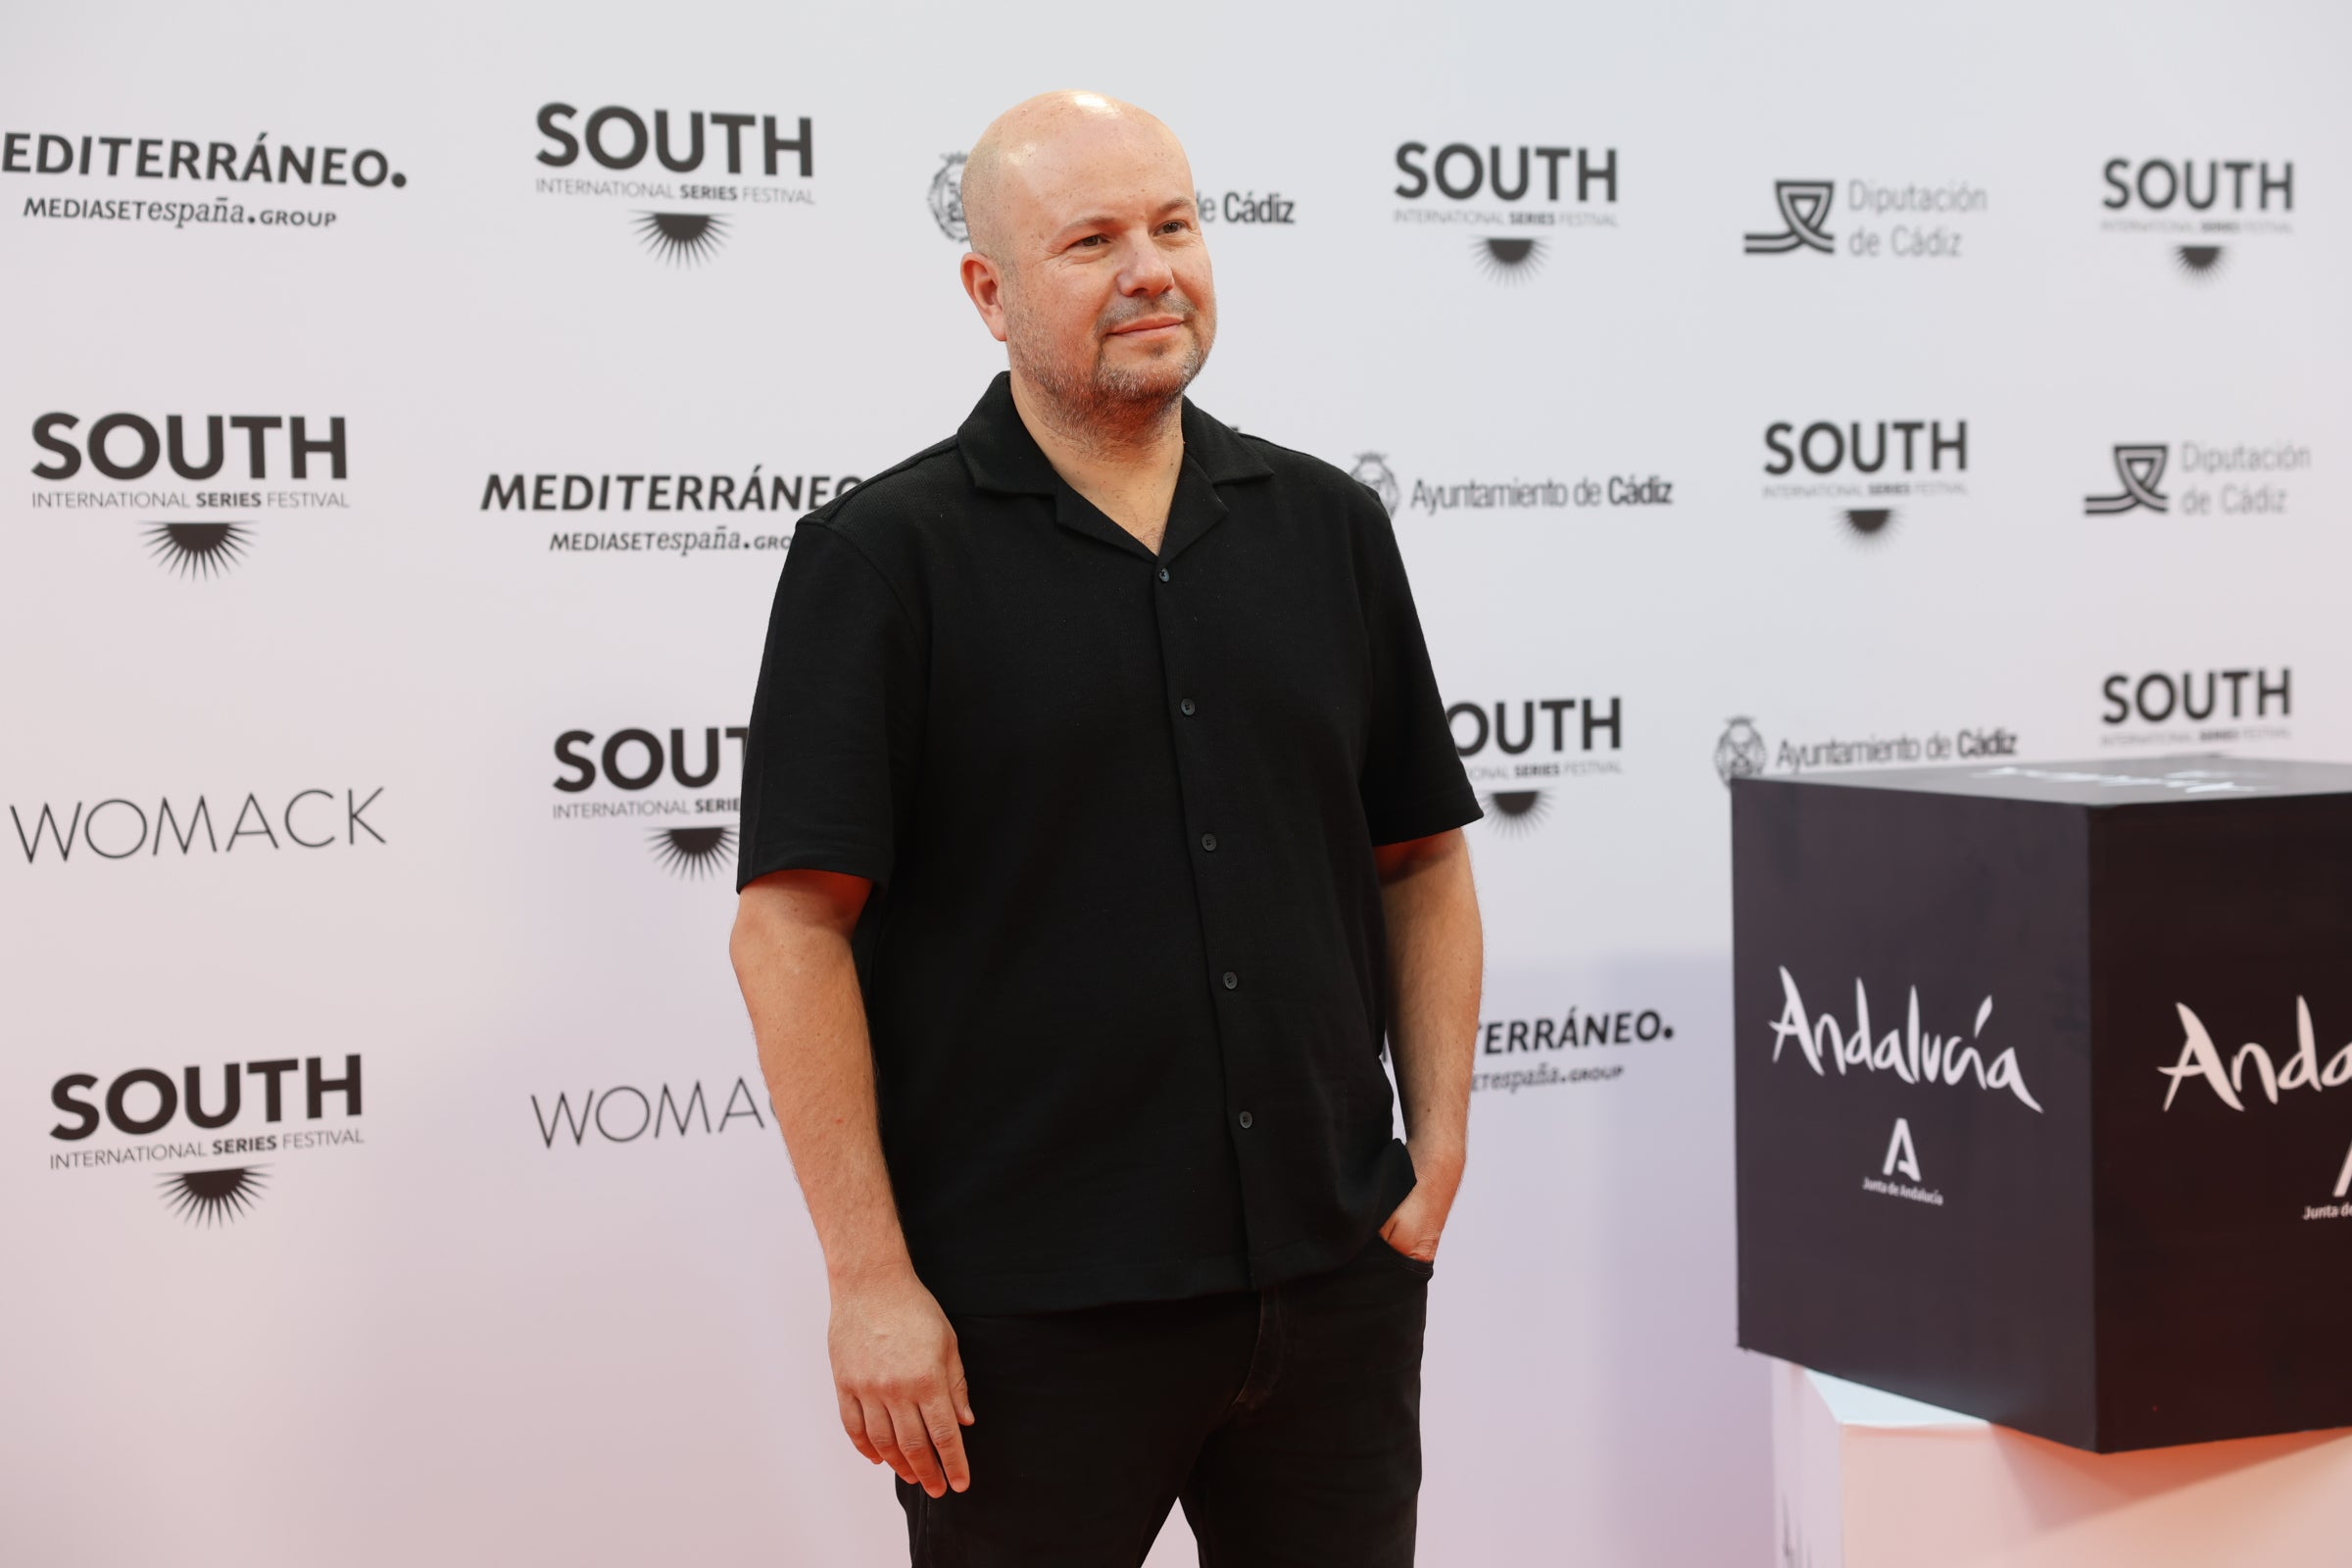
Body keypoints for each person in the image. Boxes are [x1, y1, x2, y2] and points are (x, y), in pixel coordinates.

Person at [728, 89, 1484, 1567]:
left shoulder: (1328, 526)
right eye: (1091, 239)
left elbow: (1424, 856)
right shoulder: (881, 561)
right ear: (989, 293)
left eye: (1175, 223)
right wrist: (869, 1279)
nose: (1151, 268)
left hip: (1334, 1288)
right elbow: (790, 927)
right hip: (1028, 1329)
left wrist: (1435, 1145)